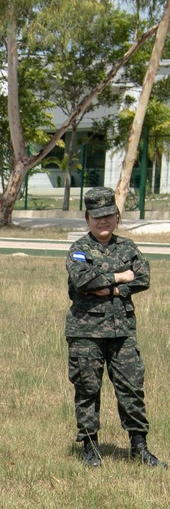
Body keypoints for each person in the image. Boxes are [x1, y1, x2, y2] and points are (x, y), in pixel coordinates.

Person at [66, 186, 163, 468]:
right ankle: (90, 447)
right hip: (85, 332)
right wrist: (121, 277)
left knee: (131, 388)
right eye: (97, 217)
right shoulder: (79, 250)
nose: (103, 221)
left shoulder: (128, 247)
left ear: (117, 216)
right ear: (87, 219)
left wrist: (110, 289)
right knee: (87, 389)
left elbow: (143, 277)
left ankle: (139, 446)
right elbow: (83, 281)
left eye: (108, 215)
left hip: (122, 333)